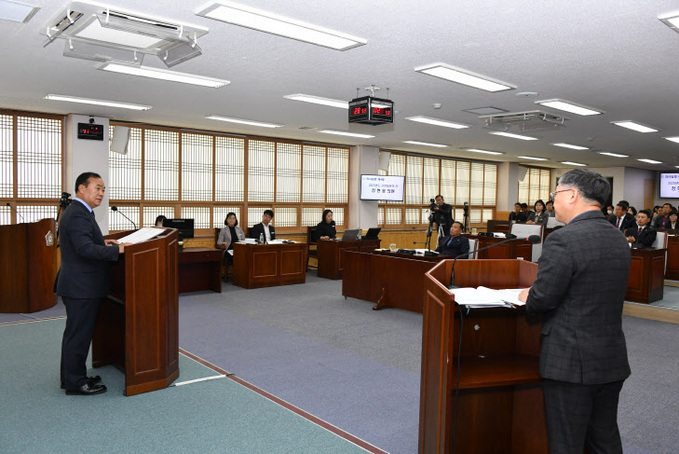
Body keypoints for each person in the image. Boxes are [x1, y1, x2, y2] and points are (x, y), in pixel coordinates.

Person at [518, 169, 631, 454]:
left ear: (572, 195)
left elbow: (542, 299)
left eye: (556, 194)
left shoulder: (563, 239)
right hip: (610, 357)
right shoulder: (617, 237)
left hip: (570, 363)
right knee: (603, 439)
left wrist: (528, 294)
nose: (553, 201)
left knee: (567, 442)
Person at [56, 172, 126, 396]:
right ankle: (76, 383)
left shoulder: (80, 212)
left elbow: (84, 242)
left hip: (79, 284)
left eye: (103, 189)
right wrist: (116, 250)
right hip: (81, 286)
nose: (101, 193)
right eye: (97, 188)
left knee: (75, 334)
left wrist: (103, 242)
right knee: (79, 335)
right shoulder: (78, 213)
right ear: (81, 189)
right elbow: (84, 249)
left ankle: (71, 378)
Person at [217, 212, 246, 281]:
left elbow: (243, 239)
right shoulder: (224, 230)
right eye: (230, 218)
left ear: (235, 220)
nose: (232, 220)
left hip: (239, 249)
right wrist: (223, 243)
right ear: (226, 220)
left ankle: (242, 276)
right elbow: (219, 242)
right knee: (235, 257)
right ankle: (237, 277)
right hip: (229, 249)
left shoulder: (239, 229)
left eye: (233, 218)